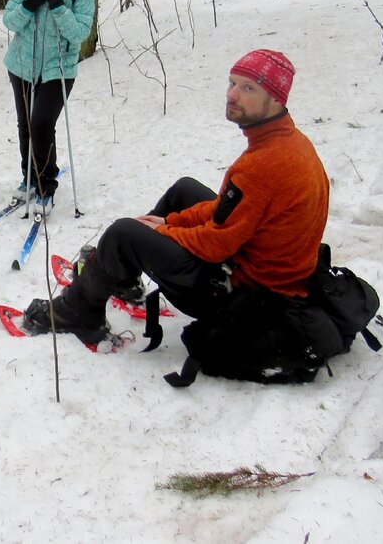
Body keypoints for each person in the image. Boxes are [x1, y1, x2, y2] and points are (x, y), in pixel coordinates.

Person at [21, 49, 329, 346]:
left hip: (247, 297)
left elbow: (218, 243)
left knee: (123, 233)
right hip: (254, 267)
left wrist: (162, 231)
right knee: (185, 191)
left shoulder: (264, 165)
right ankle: (121, 274)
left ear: (276, 98)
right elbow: (227, 211)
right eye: (232, 83)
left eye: (248, 88)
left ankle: (77, 313)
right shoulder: (287, 143)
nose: (232, 95)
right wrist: (169, 220)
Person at [1, 0, 95, 209]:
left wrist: (57, 5)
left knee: (42, 124)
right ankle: (29, 178)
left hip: (59, 69)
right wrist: (31, 3)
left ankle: (46, 185)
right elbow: (8, 19)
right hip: (22, 65)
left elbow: (80, 32)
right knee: (26, 126)